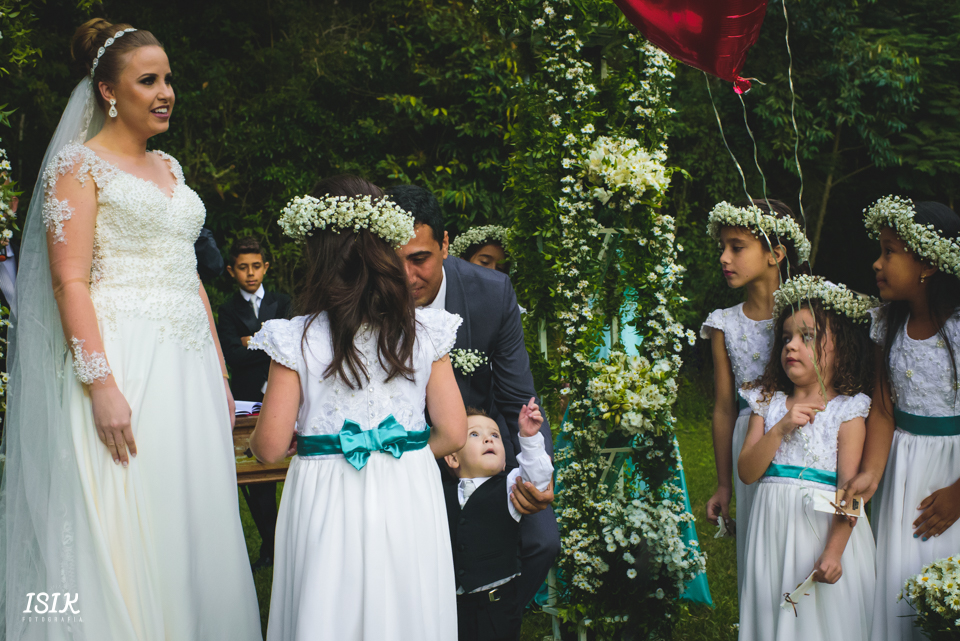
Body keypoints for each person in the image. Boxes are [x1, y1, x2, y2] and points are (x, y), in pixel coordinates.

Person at [0, 19, 261, 640]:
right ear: (110, 93)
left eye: (168, 79)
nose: (166, 91)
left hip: (189, 368)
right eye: (149, 80)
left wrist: (221, 376)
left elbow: (188, 272)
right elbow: (70, 282)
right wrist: (101, 385)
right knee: (124, 515)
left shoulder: (169, 166)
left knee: (190, 514)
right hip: (125, 362)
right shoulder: (78, 165)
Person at [248, 175, 467, 641]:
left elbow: (268, 448)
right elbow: (452, 431)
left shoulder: (296, 337)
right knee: (408, 608)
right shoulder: (424, 331)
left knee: (329, 607)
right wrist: (402, 456)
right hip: (409, 488)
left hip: (327, 493)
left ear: (318, 253)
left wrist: (273, 438)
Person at [388, 184, 560, 608]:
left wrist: (536, 478)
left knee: (542, 541)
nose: (407, 277)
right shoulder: (371, 299)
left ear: (445, 245)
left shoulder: (492, 294)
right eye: (394, 263)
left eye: (419, 259)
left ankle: (496, 622)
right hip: (404, 459)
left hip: (481, 457)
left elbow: (518, 398)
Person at [839, 197, 960, 641]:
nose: (877, 262)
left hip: (953, 473)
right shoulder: (886, 324)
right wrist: (871, 473)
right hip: (905, 467)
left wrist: (959, 494)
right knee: (901, 575)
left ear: (928, 263)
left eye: (890, 251)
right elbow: (885, 407)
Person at [737, 275, 877, 641]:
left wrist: (833, 552)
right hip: (772, 532)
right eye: (786, 338)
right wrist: (781, 428)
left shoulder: (849, 410)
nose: (792, 346)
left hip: (821, 535)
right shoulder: (767, 402)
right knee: (773, 610)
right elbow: (748, 472)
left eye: (807, 336)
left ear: (841, 347)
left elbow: (851, 491)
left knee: (819, 623)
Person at [700, 199, 811, 594]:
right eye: (723, 248)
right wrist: (724, 484)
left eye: (737, 247)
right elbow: (724, 408)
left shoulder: (810, 314)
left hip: (808, 430)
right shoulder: (724, 324)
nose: (724, 257)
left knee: (805, 541)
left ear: (775, 254)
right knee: (760, 555)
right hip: (752, 437)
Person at [444, 403, 553, 641]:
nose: (488, 439)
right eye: (475, 434)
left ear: (505, 460)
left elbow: (538, 478)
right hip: (454, 609)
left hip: (497, 610)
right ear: (452, 457)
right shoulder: (441, 493)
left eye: (495, 435)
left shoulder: (509, 484)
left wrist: (529, 437)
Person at [218, 236, 291, 570]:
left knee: (292, 471)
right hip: (249, 399)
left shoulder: (284, 301)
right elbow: (231, 354)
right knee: (259, 479)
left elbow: (289, 344)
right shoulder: (226, 309)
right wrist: (265, 339)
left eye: (256, 266)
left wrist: (251, 341)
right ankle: (271, 546)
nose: (250, 273)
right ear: (232, 271)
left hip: (285, 395)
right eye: (243, 267)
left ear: (266, 266)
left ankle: (295, 543)